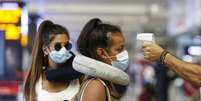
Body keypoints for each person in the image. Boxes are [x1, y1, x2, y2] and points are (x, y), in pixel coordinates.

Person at [24, 20, 82, 101]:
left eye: (67, 46)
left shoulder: (79, 77)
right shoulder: (35, 80)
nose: (63, 50)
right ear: (45, 49)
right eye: (57, 46)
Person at [75, 18, 128, 101]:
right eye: (119, 49)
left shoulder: (107, 82)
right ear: (102, 53)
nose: (124, 53)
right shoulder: (96, 86)